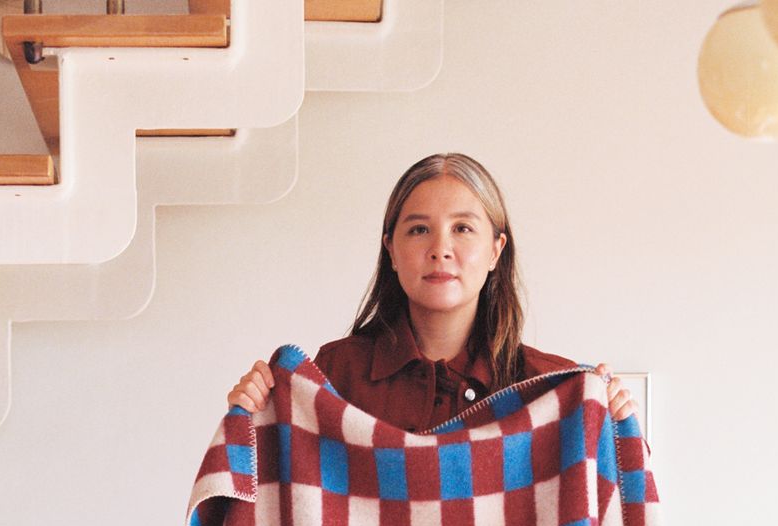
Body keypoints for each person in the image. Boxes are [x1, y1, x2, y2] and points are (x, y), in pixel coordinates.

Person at [226, 152, 637, 432]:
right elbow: (278, 503)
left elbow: (610, 504)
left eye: (463, 228)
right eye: (419, 229)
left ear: (496, 250)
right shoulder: (335, 375)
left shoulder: (550, 388)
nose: (440, 249)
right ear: (391, 249)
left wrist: (614, 425)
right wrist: (252, 417)